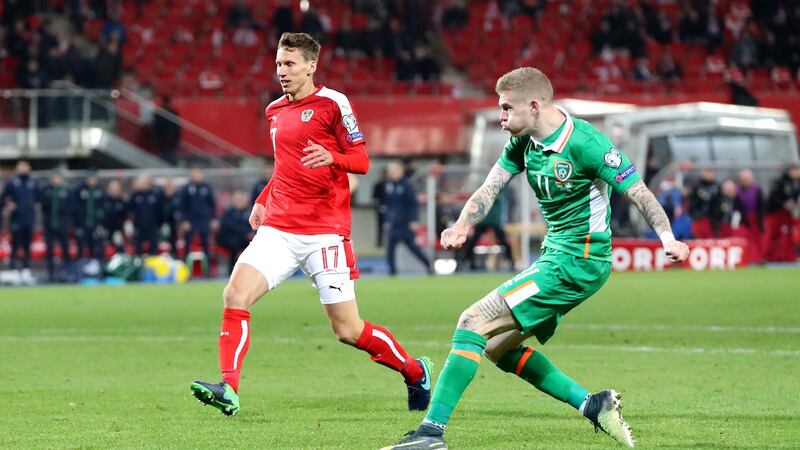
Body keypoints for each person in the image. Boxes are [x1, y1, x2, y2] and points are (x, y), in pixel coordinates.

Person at [382, 67, 690, 450]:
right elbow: (490, 186)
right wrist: (462, 224)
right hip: (557, 257)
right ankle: (593, 404)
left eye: (507, 107)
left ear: (533, 105)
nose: (501, 116)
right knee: (496, 346)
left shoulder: (586, 143)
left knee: (473, 320)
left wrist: (667, 237)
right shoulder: (523, 141)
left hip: (578, 261)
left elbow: (639, 192)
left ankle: (430, 435)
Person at [190, 33, 432, 417]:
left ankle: (415, 372)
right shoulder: (274, 111)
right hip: (280, 229)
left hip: (325, 233)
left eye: (289, 64)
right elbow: (283, 166)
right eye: (278, 64)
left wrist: (333, 156)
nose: (281, 72)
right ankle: (229, 387)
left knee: (348, 331)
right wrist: (263, 199)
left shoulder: (334, 103)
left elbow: (362, 160)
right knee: (235, 295)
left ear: (310, 65)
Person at [384, 161, 432, 276]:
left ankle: (428, 265)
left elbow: (413, 204)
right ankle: (392, 271)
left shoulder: (407, 186)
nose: (393, 173)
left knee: (412, 247)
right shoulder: (388, 186)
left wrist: (414, 220)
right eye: (391, 171)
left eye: (395, 170)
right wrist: (386, 220)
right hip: (394, 222)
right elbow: (388, 206)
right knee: (390, 248)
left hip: (406, 222)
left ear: (401, 171)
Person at [458, 187, 515, 271]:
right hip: (484, 221)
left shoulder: (500, 192)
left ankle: (511, 262)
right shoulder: (487, 191)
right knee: (472, 242)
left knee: (504, 241)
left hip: (494, 221)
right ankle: (466, 262)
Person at [1, 160, 37, 284]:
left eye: (25, 167)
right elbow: (4, 199)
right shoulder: (12, 183)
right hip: (17, 219)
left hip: (29, 218)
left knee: (27, 245)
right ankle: (14, 270)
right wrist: (8, 205)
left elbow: (40, 198)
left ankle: (26, 270)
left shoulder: (32, 183)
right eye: (20, 167)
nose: (23, 169)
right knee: (15, 245)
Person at [178, 167, 216, 275]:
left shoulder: (207, 187)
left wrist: (213, 219)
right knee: (187, 246)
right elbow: (182, 206)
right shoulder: (186, 188)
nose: (198, 176)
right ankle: (184, 271)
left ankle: (208, 271)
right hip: (190, 221)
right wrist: (184, 220)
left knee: (206, 246)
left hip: (204, 221)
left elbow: (212, 205)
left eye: (199, 173)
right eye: (195, 173)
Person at [38, 174, 73, 282]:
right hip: (49, 225)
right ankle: (51, 274)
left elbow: (70, 207)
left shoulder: (66, 191)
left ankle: (67, 272)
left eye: (58, 178)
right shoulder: (46, 191)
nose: (56, 180)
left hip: (62, 225)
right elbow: (42, 206)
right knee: (49, 250)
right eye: (54, 178)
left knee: (65, 248)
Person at [73, 170, 107, 260]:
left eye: (94, 179)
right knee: (81, 246)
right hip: (82, 223)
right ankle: (80, 266)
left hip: (96, 224)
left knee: (96, 246)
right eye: (90, 179)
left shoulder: (101, 191)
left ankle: (96, 266)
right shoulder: (80, 190)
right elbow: (75, 208)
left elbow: (103, 208)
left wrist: (101, 222)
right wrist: (77, 223)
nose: (92, 181)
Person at [217, 190, 253, 274]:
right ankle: (232, 269)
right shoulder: (228, 213)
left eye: (241, 199)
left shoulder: (248, 212)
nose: (239, 202)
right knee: (234, 243)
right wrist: (245, 233)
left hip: (245, 239)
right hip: (229, 239)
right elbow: (228, 227)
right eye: (237, 199)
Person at [128, 175, 164, 256]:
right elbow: (130, 211)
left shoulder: (156, 195)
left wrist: (159, 225)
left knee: (153, 250)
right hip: (139, 227)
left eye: (143, 182)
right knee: (138, 250)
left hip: (153, 227)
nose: (141, 184)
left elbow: (160, 211)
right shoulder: (135, 196)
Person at [688, 168, 721, 238]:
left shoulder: (717, 187)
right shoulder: (697, 186)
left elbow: (718, 204)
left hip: (712, 221)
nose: (709, 175)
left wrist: (715, 217)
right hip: (699, 220)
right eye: (707, 172)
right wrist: (696, 215)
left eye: (711, 172)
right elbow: (692, 203)